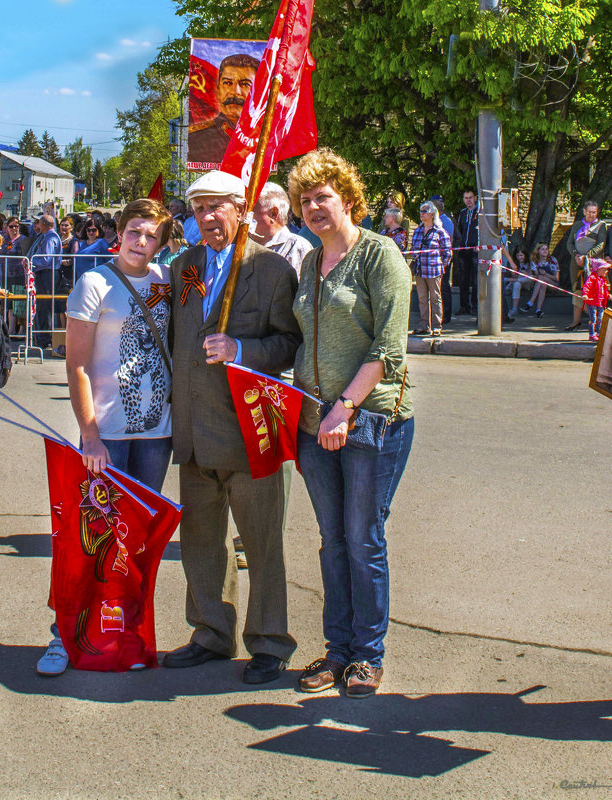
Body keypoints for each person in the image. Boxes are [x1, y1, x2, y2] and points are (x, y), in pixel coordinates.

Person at [163, 170, 300, 685]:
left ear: (241, 210)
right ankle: (210, 632)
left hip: (249, 431)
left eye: (219, 207)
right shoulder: (183, 267)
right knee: (201, 540)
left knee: (262, 542)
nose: (209, 217)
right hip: (195, 430)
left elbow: (289, 343)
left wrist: (241, 351)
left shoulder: (270, 270)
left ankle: (268, 642)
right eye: (200, 209)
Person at [287, 147, 414, 699]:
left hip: (371, 420)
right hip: (314, 422)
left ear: (348, 199)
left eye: (323, 197)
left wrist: (346, 407)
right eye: (305, 200)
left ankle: (367, 655)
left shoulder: (379, 254)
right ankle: (337, 649)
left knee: (363, 539)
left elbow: (390, 344)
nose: (314, 207)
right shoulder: (310, 263)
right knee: (332, 541)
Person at [37, 198, 175, 677]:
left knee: (135, 542)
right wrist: (89, 433)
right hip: (108, 433)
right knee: (91, 539)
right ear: (120, 232)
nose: (142, 242)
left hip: (157, 432)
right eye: (135, 231)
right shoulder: (94, 282)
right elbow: (75, 363)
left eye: (151, 235)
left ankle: (127, 636)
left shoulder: (165, 281)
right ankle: (65, 638)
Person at [187, 53, 260, 166]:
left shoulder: (268, 136)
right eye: (227, 83)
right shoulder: (196, 139)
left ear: (259, 91)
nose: (235, 92)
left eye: (245, 84)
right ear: (218, 89)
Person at [250, 182, 313, 274]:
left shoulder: (296, 247)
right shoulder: (246, 246)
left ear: (273, 214)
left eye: (251, 211)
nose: (245, 216)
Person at [565, 200, 607, 331]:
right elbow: (569, 243)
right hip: (576, 262)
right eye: (589, 212)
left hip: (593, 263)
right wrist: (576, 255)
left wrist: (587, 257)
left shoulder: (601, 225)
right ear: (584, 211)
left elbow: (601, 245)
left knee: (594, 291)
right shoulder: (577, 224)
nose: (591, 215)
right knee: (577, 289)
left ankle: (597, 324)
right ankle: (576, 321)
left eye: (594, 212)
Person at [410, 201, 450, 336]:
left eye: (424, 211)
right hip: (420, 270)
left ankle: (437, 325)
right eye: (420, 211)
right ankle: (424, 325)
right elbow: (413, 248)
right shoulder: (418, 230)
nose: (421, 214)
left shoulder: (439, 231)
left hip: (434, 271)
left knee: (435, 298)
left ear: (432, 214)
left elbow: (447, 252)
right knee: (422, 298)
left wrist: (440, 265)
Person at [28, 214, 63, 351]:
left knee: (45, 305)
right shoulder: (46, 237)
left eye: (38, 223)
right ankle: (43, 336)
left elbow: (46, 259)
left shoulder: (50, 238)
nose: (37, 226)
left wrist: (32, 261)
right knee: (43, 306)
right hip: (46, 273)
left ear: (44, 224)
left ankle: (45, 337)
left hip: (47, 274)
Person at [454, 189, 480, 315]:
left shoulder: (480, 212)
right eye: (466, 198)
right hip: (464, 250)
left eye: (470, 197)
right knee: (463, 279)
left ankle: (475, 306)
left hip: (476, 250)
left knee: (475, 280)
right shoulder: (463, 213)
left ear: (475, 198)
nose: (468, 200)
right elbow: (459, 231)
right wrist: (459, 245)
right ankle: (464, 306)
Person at [431, 195, 454, 324]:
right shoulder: (434, 220)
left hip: (442, 260)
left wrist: (445, 261)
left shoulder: (446, 221)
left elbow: (447, 242)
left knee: (444, 286)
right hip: (433, 261)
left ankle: (446, 314)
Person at [525, 242, 559, 317]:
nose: (545, 251)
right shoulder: (535, 261)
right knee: (542, 283)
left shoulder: (552, 260)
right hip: (541, 284)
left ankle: (531, 302)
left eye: (546, 249)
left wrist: (546, 274)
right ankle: (538, 310)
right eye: (542, 249)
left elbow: (556, 278)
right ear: (538, 251)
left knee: (541, 278)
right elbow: (536, 277)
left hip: (553, 284)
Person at [583, 258, 610, 342]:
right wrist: (585, 294)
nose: (606, 271)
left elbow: (604, 290)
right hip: (592, 302)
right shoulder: (592, 277)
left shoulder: (603, 279)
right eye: (604, 269)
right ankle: (592, 334)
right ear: (598, 269)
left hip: (600, 303)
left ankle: (599, 333)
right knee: (593, 319)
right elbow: (587, 286)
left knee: (600, 319)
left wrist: (608, 295)